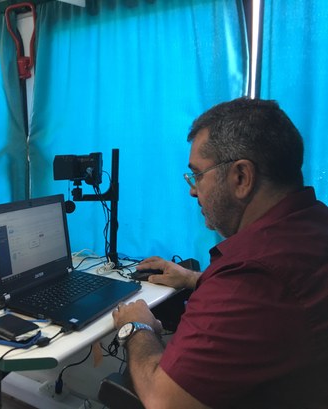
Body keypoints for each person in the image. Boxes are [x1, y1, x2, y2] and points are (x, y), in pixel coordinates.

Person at [113, 97, 328, 408]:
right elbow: (278, 294)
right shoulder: (310, 225)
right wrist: (192, 279)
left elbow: (163, 401)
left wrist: (137, 327)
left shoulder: (252, 275)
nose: (192, 189)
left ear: (241, 178)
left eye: (198, 175)